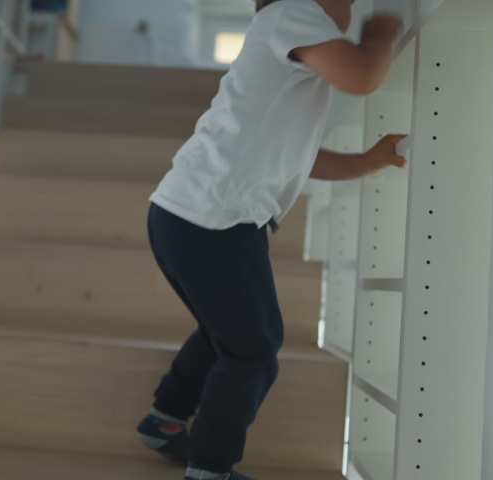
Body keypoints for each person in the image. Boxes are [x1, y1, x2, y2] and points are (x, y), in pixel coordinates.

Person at [136, 1, 406, 479]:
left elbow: (302, 158)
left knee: (225, 335)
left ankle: (166, 421)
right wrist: (381, 35)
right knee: (254, 349)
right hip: (213, 221)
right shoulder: (290, 14)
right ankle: (209, 468)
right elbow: (363, 75)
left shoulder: (287, 45)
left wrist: (367, 160)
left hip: (186, 215)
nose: (349, 11)